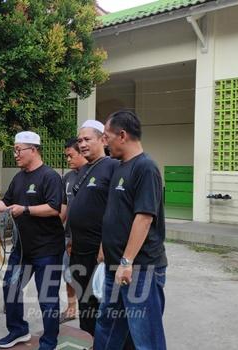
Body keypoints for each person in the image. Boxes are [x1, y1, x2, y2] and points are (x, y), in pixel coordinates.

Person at [0, 131, 65, 350]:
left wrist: (26, 209)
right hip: (23, 250)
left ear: (33, 149)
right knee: (10, 287)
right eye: (14, 150)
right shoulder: (19, 178)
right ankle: (18, 330)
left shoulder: (49, 177)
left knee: (47, 298)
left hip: (47, 249)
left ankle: (49, 341)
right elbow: (5, 203)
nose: (15, 154)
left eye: (18, 150)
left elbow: (54, 208)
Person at [94, 110, 168, 350]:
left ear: (122, 135)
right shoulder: (118, 167)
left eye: (106, 136)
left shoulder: (146, 168)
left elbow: (144, 218)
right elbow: (116, 212)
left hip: (139, 268)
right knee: (108, 326)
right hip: (115, 266)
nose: (104, 142)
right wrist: (106, 248)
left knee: (145, 337)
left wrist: (127, 261)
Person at [67, 120, 118, 338]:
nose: (83, 144)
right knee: (84, 303)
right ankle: (89, 340)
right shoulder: (83, 169)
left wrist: (104, 246)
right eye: (80, 140)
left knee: (102, 306)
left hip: (99, 252)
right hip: (78, 249)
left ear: (102, 140)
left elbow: (116, 211)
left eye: (88, 139)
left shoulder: (114, 167)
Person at [59, 137, 88, 323]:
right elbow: (63, 208)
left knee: (87, 276)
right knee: (67, 273)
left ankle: (89, 311)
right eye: (66, 156)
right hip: (68, 236)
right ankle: (71, 308)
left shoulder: (93, 175)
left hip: (87, 239)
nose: (68, 160)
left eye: (70, 156)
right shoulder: (67, 178)